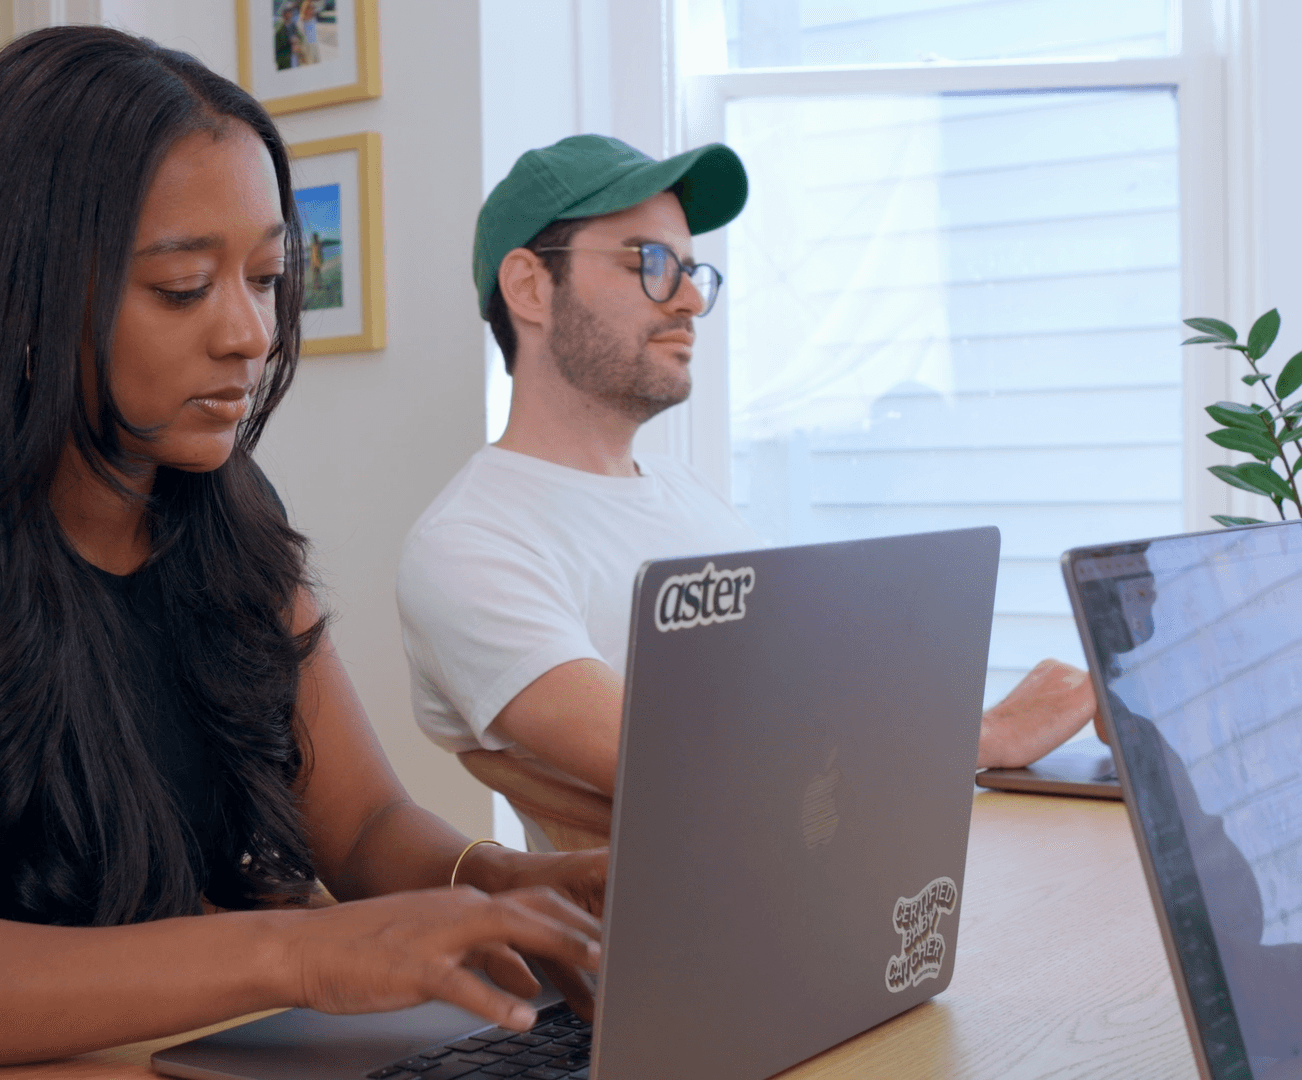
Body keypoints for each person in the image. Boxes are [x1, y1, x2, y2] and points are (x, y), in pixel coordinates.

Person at [0, 29, 604, 1079]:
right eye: (185, 289)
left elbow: (364, 824)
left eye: (269, 276)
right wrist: (295, 952)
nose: (250, 334)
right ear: (26, 298)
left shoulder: (222, 511)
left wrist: (504, 884)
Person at [398, 135, 1102, 851]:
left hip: (851, 877)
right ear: (528, 288)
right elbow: (682, 763)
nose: (691, 299)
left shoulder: (684, 490)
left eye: (692, 268)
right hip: (688, 950)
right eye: (649, 262)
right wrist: (988, 733)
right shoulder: (471, 543)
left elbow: (819, 684)